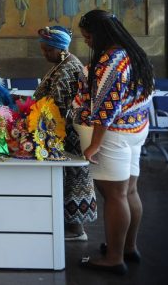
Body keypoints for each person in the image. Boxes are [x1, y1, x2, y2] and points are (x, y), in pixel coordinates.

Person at [73, 9, 154, 275]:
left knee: (114, 195)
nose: (87, 42)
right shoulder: (134, 53)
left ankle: (114, 258)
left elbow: (106, 109)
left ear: (101, 34)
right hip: (136, 129)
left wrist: (94, 145)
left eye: (88, 37)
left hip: (113, 135)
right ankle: (128, 247)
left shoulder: (111, 62)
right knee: (129, 191)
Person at [33, 26, 96, 241]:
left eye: (48, 50)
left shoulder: (68, 68)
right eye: (43, 49)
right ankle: (69, 227)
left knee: (73, 179)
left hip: (67, 133)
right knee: (67, 179)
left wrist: (33, 110)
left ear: (61, 49)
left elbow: (57, 105)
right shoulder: (61, 65)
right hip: (60, 130)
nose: (44, 54)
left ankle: (76, 230)